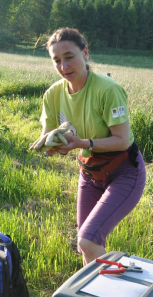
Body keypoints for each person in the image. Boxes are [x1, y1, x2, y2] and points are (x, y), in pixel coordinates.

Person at [33, 27, 145, 266]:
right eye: (57, 61)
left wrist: (80, 143)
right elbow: (48, 136)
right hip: (90, 172)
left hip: (124, 171)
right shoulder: (53, 95)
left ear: (85, 53)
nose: (64, 67)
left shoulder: (107, 89)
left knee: (88, 241)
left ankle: (109, 296)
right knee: (86, 245)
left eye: (69, 57)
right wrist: (50, 145)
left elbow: (122, 140)